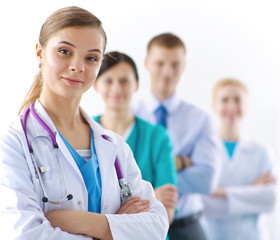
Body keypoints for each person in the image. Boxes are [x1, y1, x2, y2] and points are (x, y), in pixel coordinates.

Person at [0, 6, 168, 240]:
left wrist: (83, 221)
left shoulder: (115, 146)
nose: (78, 67)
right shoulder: (14, 142)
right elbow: (25, 234)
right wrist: (116, 227)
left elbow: (157, 227)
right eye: (65, 51)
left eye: (91, 58)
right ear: (40, 53)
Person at [131, 33, 220, 240]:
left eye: (175, 64)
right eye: (160, 63)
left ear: (184, 66)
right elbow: (118, 176)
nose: (167, 72)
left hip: (186, 226)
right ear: (146, 63)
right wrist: (178, 163)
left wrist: (146, 180)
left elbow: (206, 180)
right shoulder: (130, 115)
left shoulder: (200, 120)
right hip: (139, 224)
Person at [93, 51, 178, 226]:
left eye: (124, 81)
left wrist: (109, 216)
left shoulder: (157, 137)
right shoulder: (83, 132)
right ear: (95, 85)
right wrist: (150, 200)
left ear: (136, 84)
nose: (116, 88)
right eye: (108, 81)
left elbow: (166, 214)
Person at [201, 78, 276, 240]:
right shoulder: (203, 149)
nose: (232, 106)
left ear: (247, 105)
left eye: (238, 100)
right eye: (224, 100)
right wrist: (252, 192)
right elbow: (201, 203)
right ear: (214, 105)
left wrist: (219, 192)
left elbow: (270, 200)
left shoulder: (262, 151)